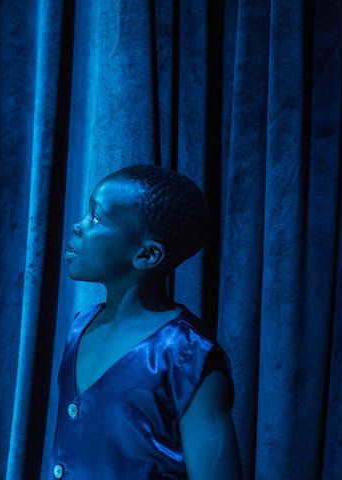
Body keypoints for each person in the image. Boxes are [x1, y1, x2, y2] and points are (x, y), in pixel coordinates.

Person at [50, 164, 242, 479]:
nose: (78, 226)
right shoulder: (81, 325)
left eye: (97, 218)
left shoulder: (187, 355)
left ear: (147, 254)